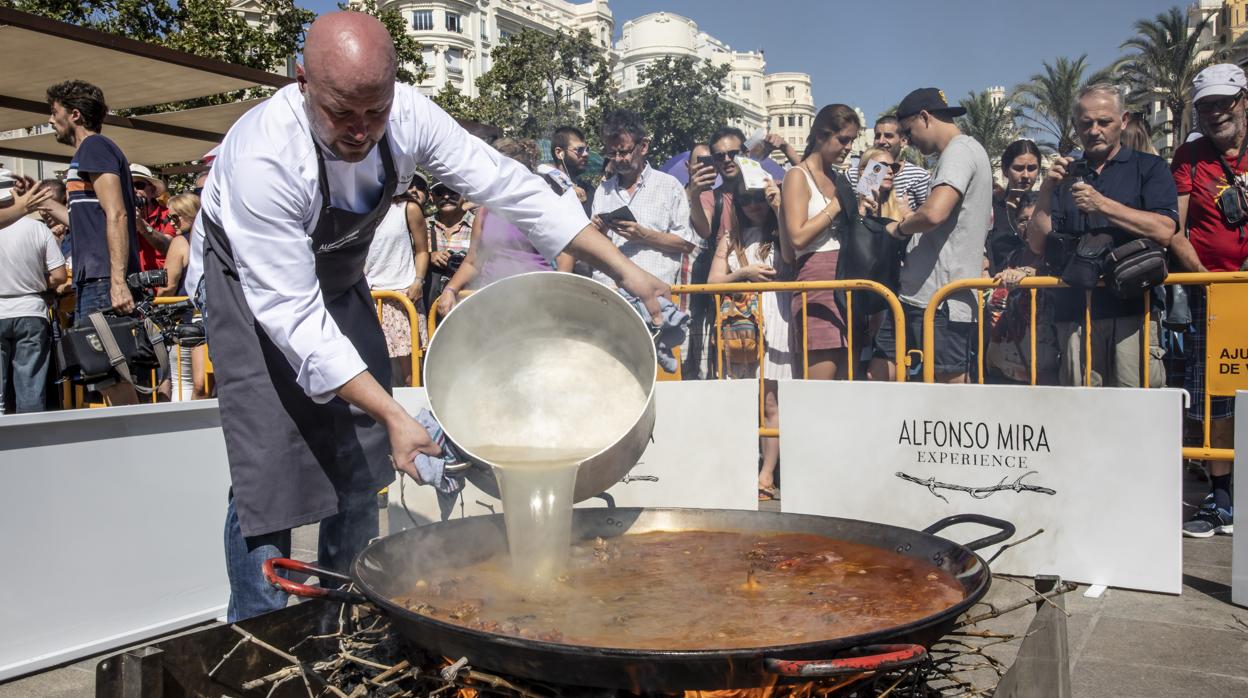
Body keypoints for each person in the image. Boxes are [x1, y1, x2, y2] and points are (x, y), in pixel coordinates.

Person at [184, 12, 667, 622]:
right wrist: (392, 412)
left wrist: (625, 268)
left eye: (375, 111)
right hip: (254, 296)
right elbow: (293, 317)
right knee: (270, 475)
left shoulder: (408, 114)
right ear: (302, 81)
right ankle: (258, 631)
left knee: (362, 463)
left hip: (340, 282)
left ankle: (345, 621)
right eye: (342, 113)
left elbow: (508, 186)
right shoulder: (264, 158)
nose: (361, 131)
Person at [1030, 84, 1176, 388]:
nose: (1094, 130)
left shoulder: (1150, 167)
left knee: (1135, 410)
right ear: (1076, 126)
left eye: (1104, 122)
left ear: (1123, 121)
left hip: (1135, 311)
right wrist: (1045, 191)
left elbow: (1164, 230)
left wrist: (1102, 205)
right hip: (1074, 314)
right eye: (1086, 123)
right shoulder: (1064, 174)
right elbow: (1037, 243)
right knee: (1079, 417)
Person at [1170, 64, 1248, 537]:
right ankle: (1220, 502)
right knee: (1217, 399)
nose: (1217, 113)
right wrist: (1202, 277)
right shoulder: (1190, 156)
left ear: (1244, 100)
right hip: (1214, 297)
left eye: (1225, 102)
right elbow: (1175, 228)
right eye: (1206, 106)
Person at [872, 88, 993, 384]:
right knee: (881, 378)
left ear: (925, 117)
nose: (908, 141)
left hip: (941, 301)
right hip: (921, 296)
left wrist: (899, 228)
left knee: (947, 394)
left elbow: (935, 213)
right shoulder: (961, 151)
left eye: (908, 131)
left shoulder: (959, 151)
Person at [46, 79, 140, 406]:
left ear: (74, 115)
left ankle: (137, 447)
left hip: (104, 280)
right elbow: (87, 222)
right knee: (103, 374)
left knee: (109, 373)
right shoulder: (89, 154)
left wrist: (117, 282)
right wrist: (42, 201)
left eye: (53, 112)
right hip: (96, 279)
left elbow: (116, 214)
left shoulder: (94, 148)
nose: (49, 120)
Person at [708, 177, 792, 499]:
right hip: (739, 326)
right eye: (745, 199)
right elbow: (712, 281)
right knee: (740, 402)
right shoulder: (731, 237)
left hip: (776, 319)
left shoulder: (779, 227)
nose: (753, 205)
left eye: (757, 198)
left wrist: (779, 206)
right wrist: (742, 274)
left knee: (771, 401)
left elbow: (792, 256)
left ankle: (766, 474)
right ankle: (738, 469)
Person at [438, 137, 576, 318]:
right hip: (491, 299)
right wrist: (450, 289)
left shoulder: (544, 205)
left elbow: (565, 259)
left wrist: (554, 299)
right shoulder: (485, 211)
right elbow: (474, 259)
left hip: (536, 300)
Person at [781, 104, 861, 379]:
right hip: (816, 284)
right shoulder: (796, 176)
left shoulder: (838, 179)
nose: (849, 147)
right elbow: (797, 238)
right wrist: (836, 207)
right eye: (843, 139)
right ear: (820, 136)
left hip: (846, 283)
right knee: (820, 390)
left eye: (852, 140)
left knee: (845, 385)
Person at [591, 109, 699, 288]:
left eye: (624, 152)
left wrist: (643, 235)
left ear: (643, 147)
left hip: (655, 295)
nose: (617, 159)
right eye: (611, 153)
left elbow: (686, 244)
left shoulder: (669, 186)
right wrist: (598, 233)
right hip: (611, 293)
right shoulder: (603, 191)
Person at [685, 129, 747, 378]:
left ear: (746, 153)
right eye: (719, 156)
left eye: (733, 153)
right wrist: (695, 195)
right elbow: (703, 228)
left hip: (765, 291)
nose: (727, 160)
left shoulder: (767, 189)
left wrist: (786, 148)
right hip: (725, 293)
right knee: (725, 364)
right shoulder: (712, 196)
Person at [0, 207, 66, 414]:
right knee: (31, 387)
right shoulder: (36, 228)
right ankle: (31, 441)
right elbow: (59, 276)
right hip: (31, 310)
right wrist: (34, 281)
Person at [364, 184, 428, 388]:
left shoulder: (407, 208)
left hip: (403, 296)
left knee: (410, 374)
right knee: (371, 368)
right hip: (368, 295)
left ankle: (413, 416)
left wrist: (418, 280)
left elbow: (422, 250)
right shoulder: (357, 208)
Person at [156, 193, 200, 401]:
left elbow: (168, 285)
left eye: (176, 217)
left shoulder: (180, 242)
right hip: (207, 319)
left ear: (190, 214)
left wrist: (156, 304)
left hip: (184, 321)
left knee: (183, 380)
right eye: (169, 218)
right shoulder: (214, 238)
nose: (171, 223)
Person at [847, 115, 932, 212]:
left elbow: (928, 216)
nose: (881, 141)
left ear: (903, 141)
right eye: (877, 136)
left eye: (888, 136)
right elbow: (865, 210)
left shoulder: (918, 176)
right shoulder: (854, 174)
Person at [985, 140, 1043, 275]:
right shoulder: (991, 208)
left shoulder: (1046, 208)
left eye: (1032, 168)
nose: (1026, 175)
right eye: (1018, 168)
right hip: (997, 289)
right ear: (1005, 170)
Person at [425, 180, 472, 304]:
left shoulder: (478, 225)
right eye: (440, 192)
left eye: (453, 191)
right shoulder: (423, 226)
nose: (446, 197)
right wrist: (429, 256)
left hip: (470, 301)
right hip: (431, 302)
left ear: (464, 194)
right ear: (431, 197)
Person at [131, 164, 176, 271]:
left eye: (139, 185)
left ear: (152, 189)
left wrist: (141, 225)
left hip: (160, 283)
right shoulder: (121, 216)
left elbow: (167, 247)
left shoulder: (167, 214)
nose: (133, 190)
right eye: (128, 186)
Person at [550, 126, 594, 215]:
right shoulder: (546, 187)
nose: (586, 154)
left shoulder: (589, 189)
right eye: (579, 150)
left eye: (587, 149)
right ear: (559, 153)